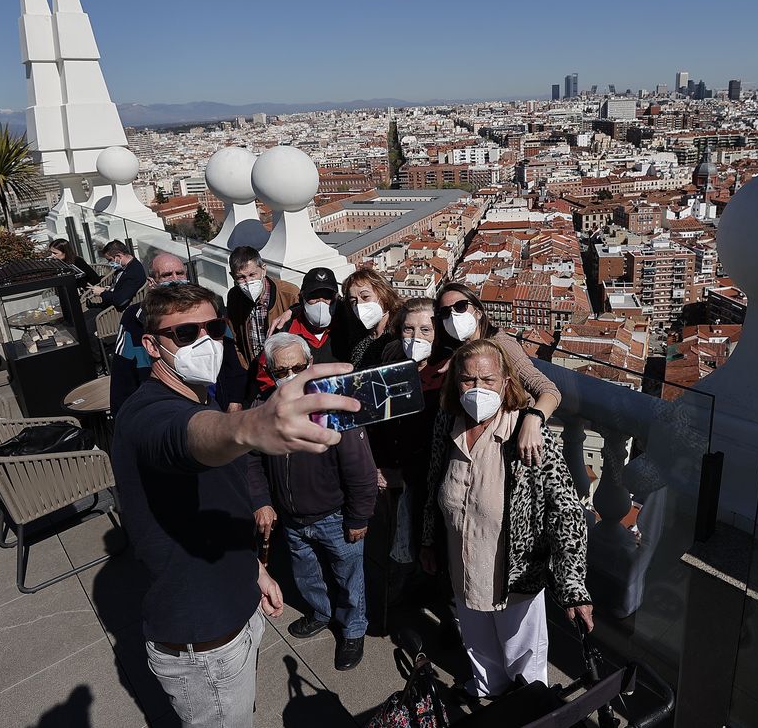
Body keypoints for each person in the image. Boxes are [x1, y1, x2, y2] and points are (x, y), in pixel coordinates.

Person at [112, 284, 360, 728]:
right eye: (186, 334)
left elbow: (213, 501)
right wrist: (249, 426)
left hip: (236, 607)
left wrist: (253, 568)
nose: (206, 341)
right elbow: (190, 437)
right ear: (151, 345)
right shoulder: (147, 414)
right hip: (206, 640)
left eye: (215, 328)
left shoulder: (198, 396)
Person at [420, 338, 592, 699]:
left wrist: (573, 586)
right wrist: (427, 540)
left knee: (523, 658)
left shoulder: (527, 432)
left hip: (513, 575)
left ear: (506, 383)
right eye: (468, 380)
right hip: (461, 564)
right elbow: (433, 481)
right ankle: (488, 693)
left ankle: (529, 711)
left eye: (488, 380)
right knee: (478, 646)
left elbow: (566, 509)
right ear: (456, 384)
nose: (478, 388)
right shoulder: (446, 424)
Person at [243, 332, 377, 671]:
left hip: (335, 516)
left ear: (310, 365)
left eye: (297, 368)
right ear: (269, 372)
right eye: (280, 370)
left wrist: (359, 517)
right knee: (306, 573)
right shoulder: (262, 408)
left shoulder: (332, 407)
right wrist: (261, 500)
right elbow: (252, 460)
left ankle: (353, 629)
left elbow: (361, 469)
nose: (289, 376)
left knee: (349, 578)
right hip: (291, 518)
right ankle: (321, 612)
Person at [364, 297, 448, 626]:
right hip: (389, 479)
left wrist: (404, 474)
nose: (416, 337)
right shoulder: (387, 370)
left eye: (426, 330)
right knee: (394, 551)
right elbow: (371, 425)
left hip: (429, 482)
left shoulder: (450, 377)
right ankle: (393, 606)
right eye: (409, 329)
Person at [434, 282, 561, 467]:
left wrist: (533, 420)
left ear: (478, 312)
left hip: (512, 441)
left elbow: (549, 390)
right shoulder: (460, 351)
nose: (453, 316)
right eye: (445, 312)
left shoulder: (502, 346)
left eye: (460, 307)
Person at [110, 252, 247, 414]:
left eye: (180, 273)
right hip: (164, 413)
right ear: (152, 282)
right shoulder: (133, 319)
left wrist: (235, 400)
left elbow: (231, 360)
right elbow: (122, 377)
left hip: (216, 404)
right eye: (167, 275)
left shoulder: (208, 309)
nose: (175, 279)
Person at [249, 266, 340, 397]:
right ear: (302, 298)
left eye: (327, 296)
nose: (321, 302)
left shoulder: (344, 325)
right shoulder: (283, 331)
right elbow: (265, 377)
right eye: (313, 296)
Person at [225, 246, 299, 369]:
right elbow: (236, 335)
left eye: (252, 274)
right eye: (241, 277)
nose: (248, 282)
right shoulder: (234, 297)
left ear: (263, 269)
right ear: (232, 276)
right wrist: (246, 366)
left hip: (285, 369)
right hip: (256, 370)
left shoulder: (289, 294)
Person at [83, 240, 147, 370]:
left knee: (87, 329)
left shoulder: (133, 272)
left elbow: (120, 300)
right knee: (81, 319)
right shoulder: (125, 268)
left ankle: (98, 363)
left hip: (118, 312)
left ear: (119, 256)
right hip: (110, 307)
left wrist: (101, 293)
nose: (110, 263)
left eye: (110, 259)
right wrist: (110, 289)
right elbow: (121, 290)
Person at [343, 267, 402, 370]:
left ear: (384, 295)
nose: (359, 304)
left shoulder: (401, 328)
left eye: (365, 297)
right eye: (353, 301)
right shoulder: (355, 335)